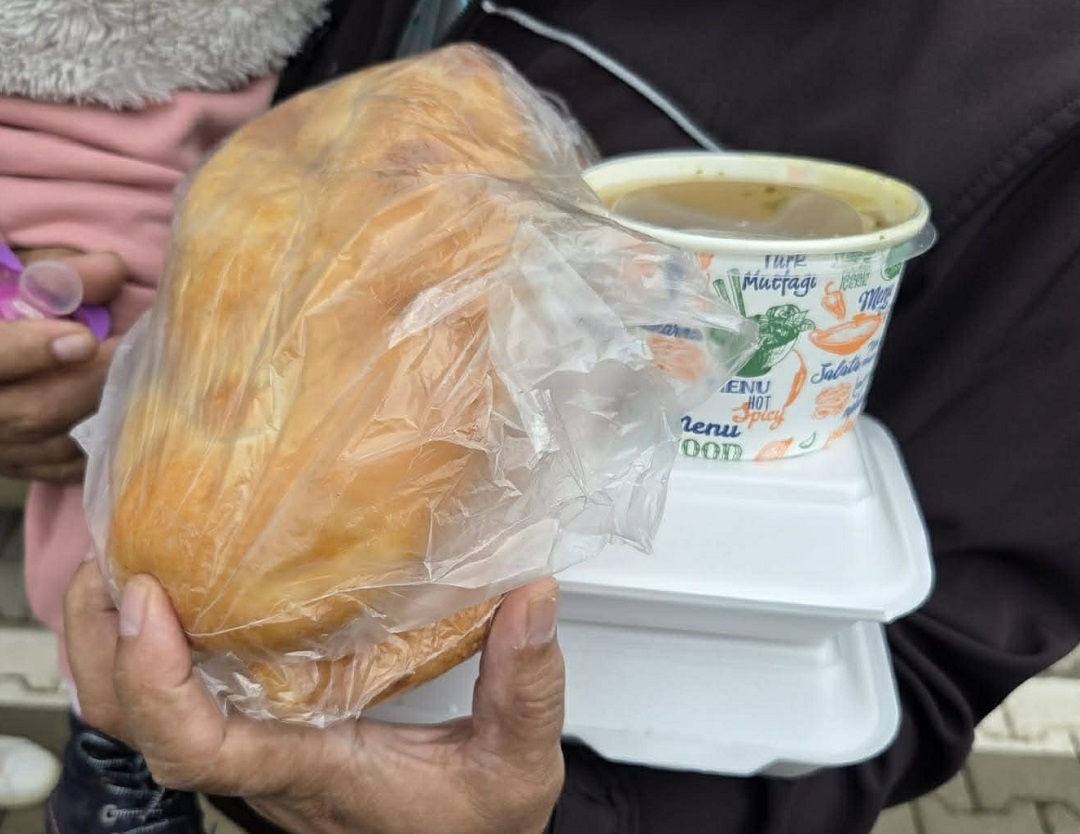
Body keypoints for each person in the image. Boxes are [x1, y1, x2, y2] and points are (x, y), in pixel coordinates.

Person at [63, 1, 1080, 833]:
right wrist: (78, 349)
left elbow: (944, 640)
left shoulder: (1038, 87)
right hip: (195, 665)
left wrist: (569, 818)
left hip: (599, 737)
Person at [0, 1, 332, 830]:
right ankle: (114, 740)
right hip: (87, 138)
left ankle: (117, 736)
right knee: (120, 500)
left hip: (231, 101)